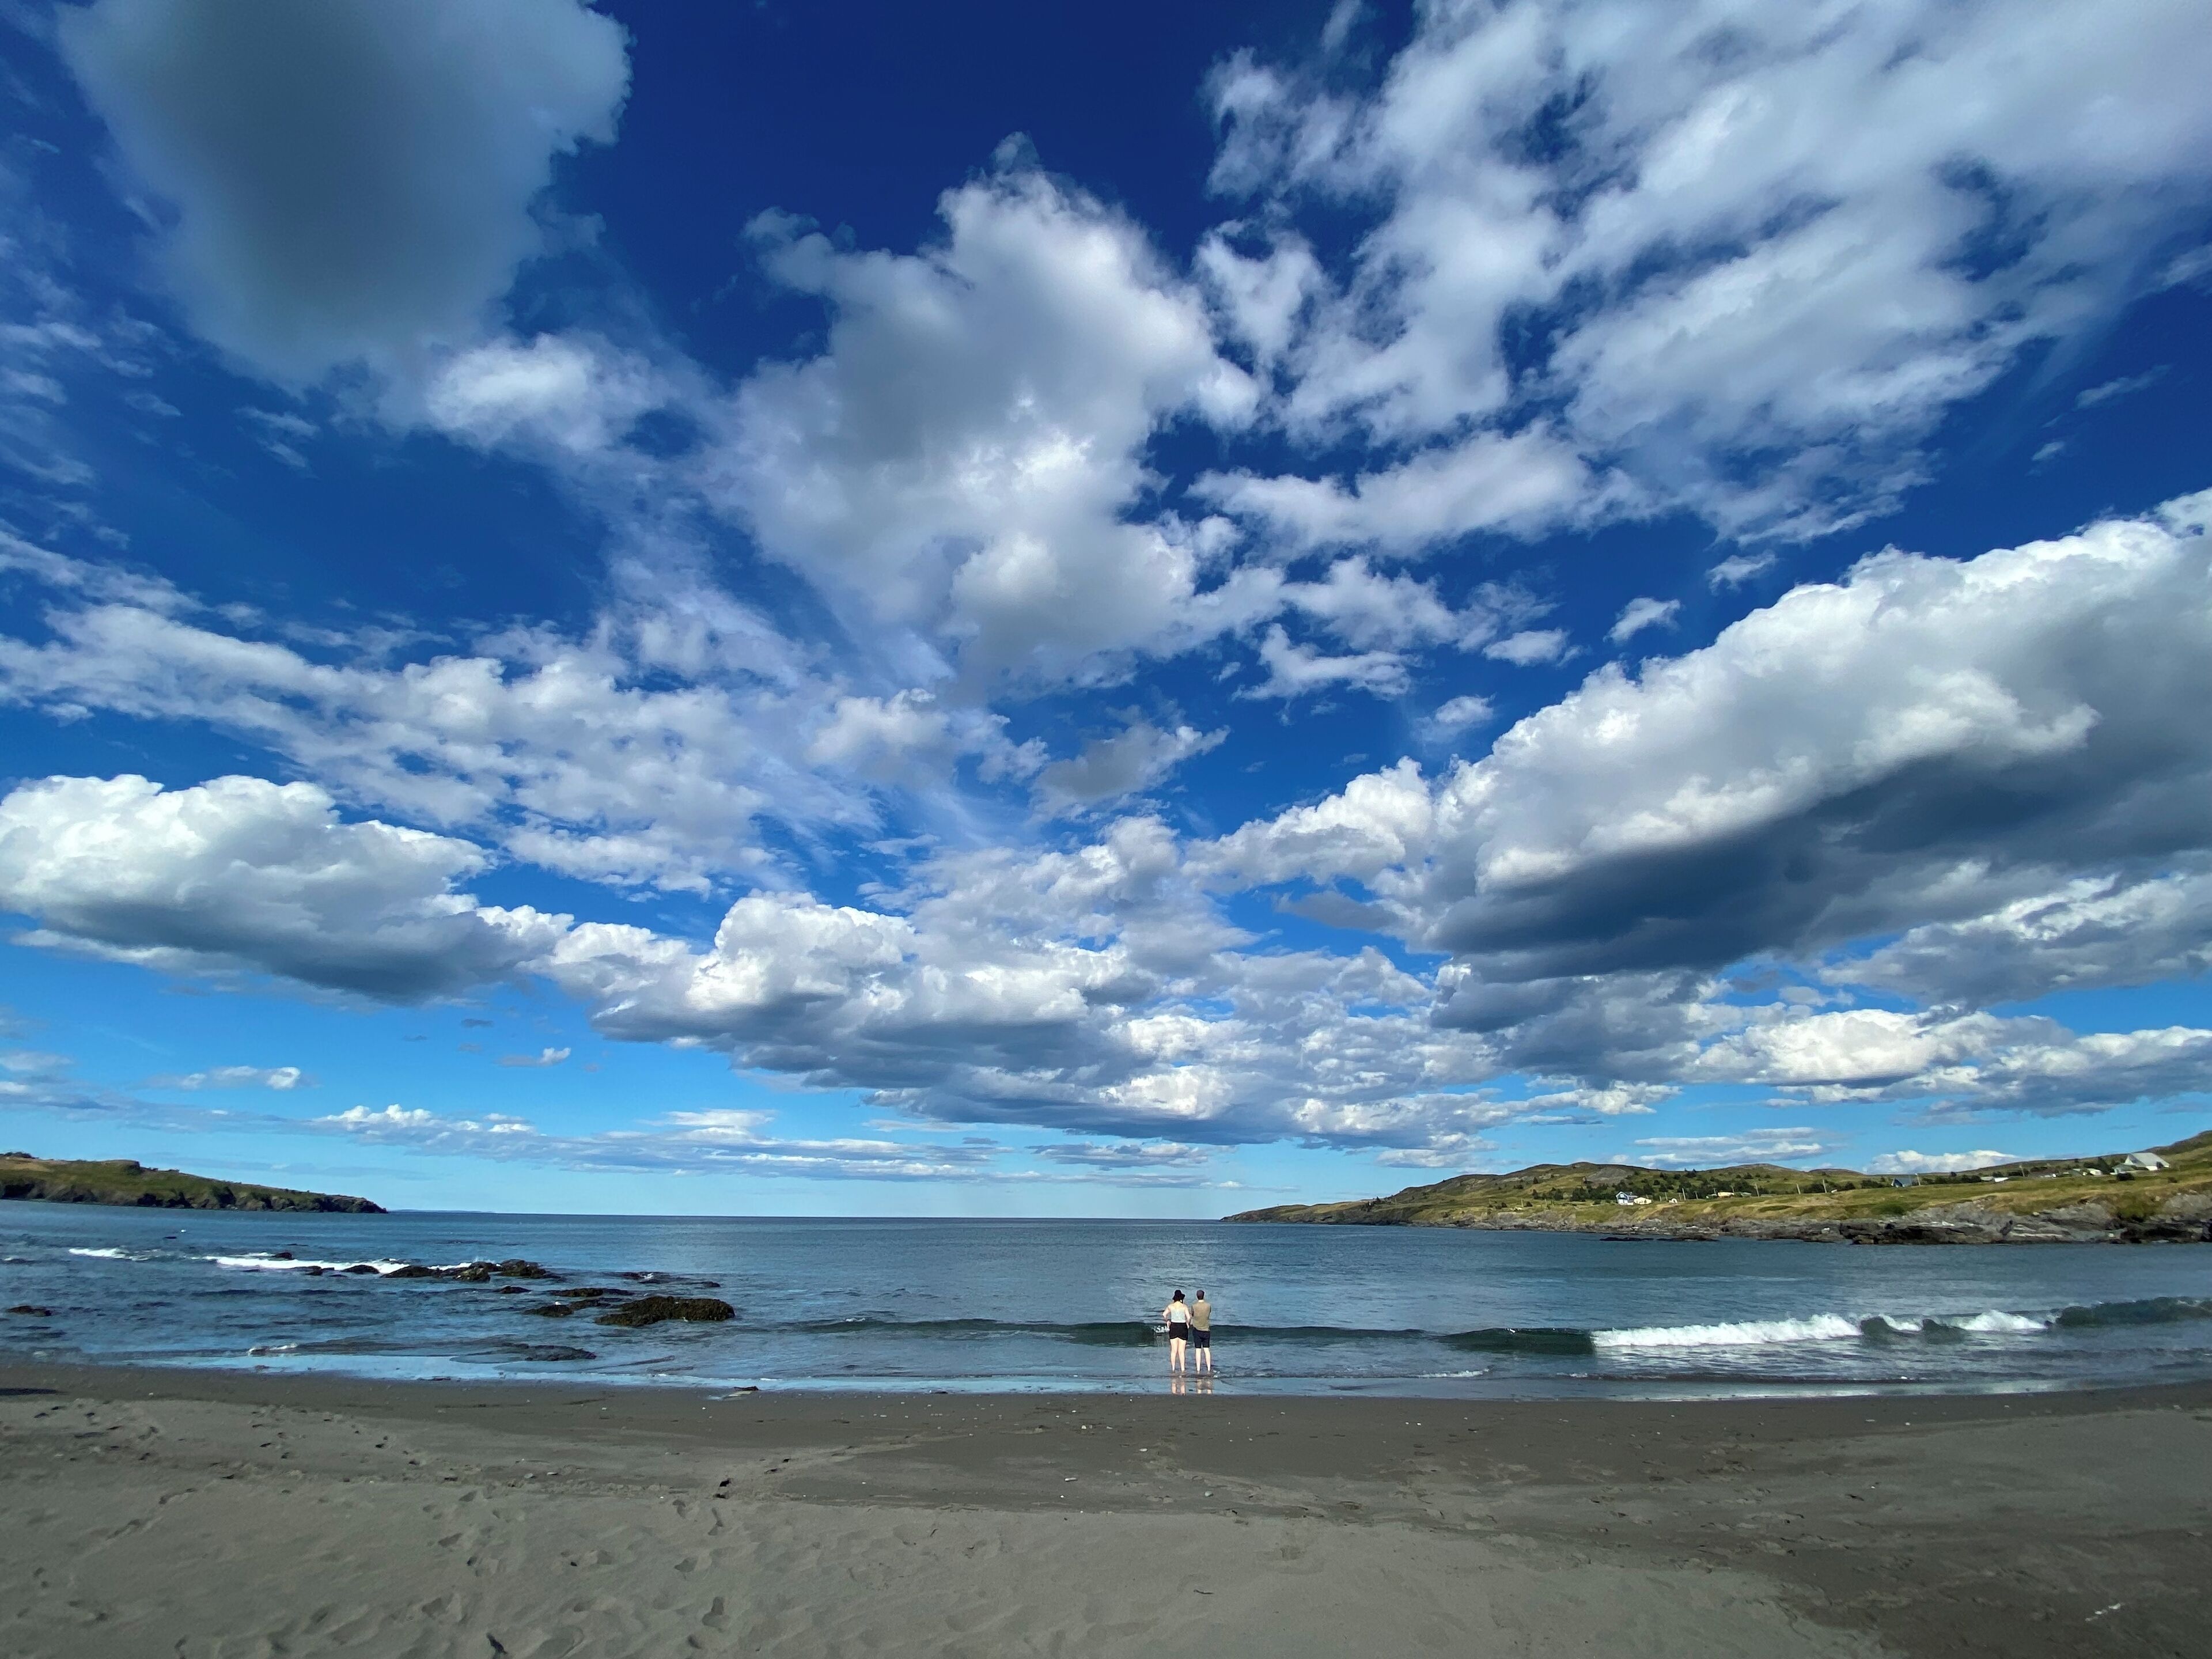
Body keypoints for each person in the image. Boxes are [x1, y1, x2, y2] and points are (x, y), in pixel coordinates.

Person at [1162, 1289, 1190, 1375]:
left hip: (1174, 1326)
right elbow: (1189, 1317)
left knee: (1174, 1351)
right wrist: (1188, 1324)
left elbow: (1164, 1315)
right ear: (1181, 1298)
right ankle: (1182, 1369)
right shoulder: (1184, 1306)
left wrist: (1167, 1321)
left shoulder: (1171, 1306)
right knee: (1181, 1351)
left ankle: (1173, 1368)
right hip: (1182, 1327)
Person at [1189, 1288, 1213, 1375]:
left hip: (1197, 1329)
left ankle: (1198, 1369)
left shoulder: (1194, 1306)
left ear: (1197, 1296)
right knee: (1207, 1349)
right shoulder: (1208, 1305)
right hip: (1206, 1329)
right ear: (1204, 1296)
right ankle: (1209, 1368)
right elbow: (1209, 1313)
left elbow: (1191, 1315)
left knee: (1198, 1350)